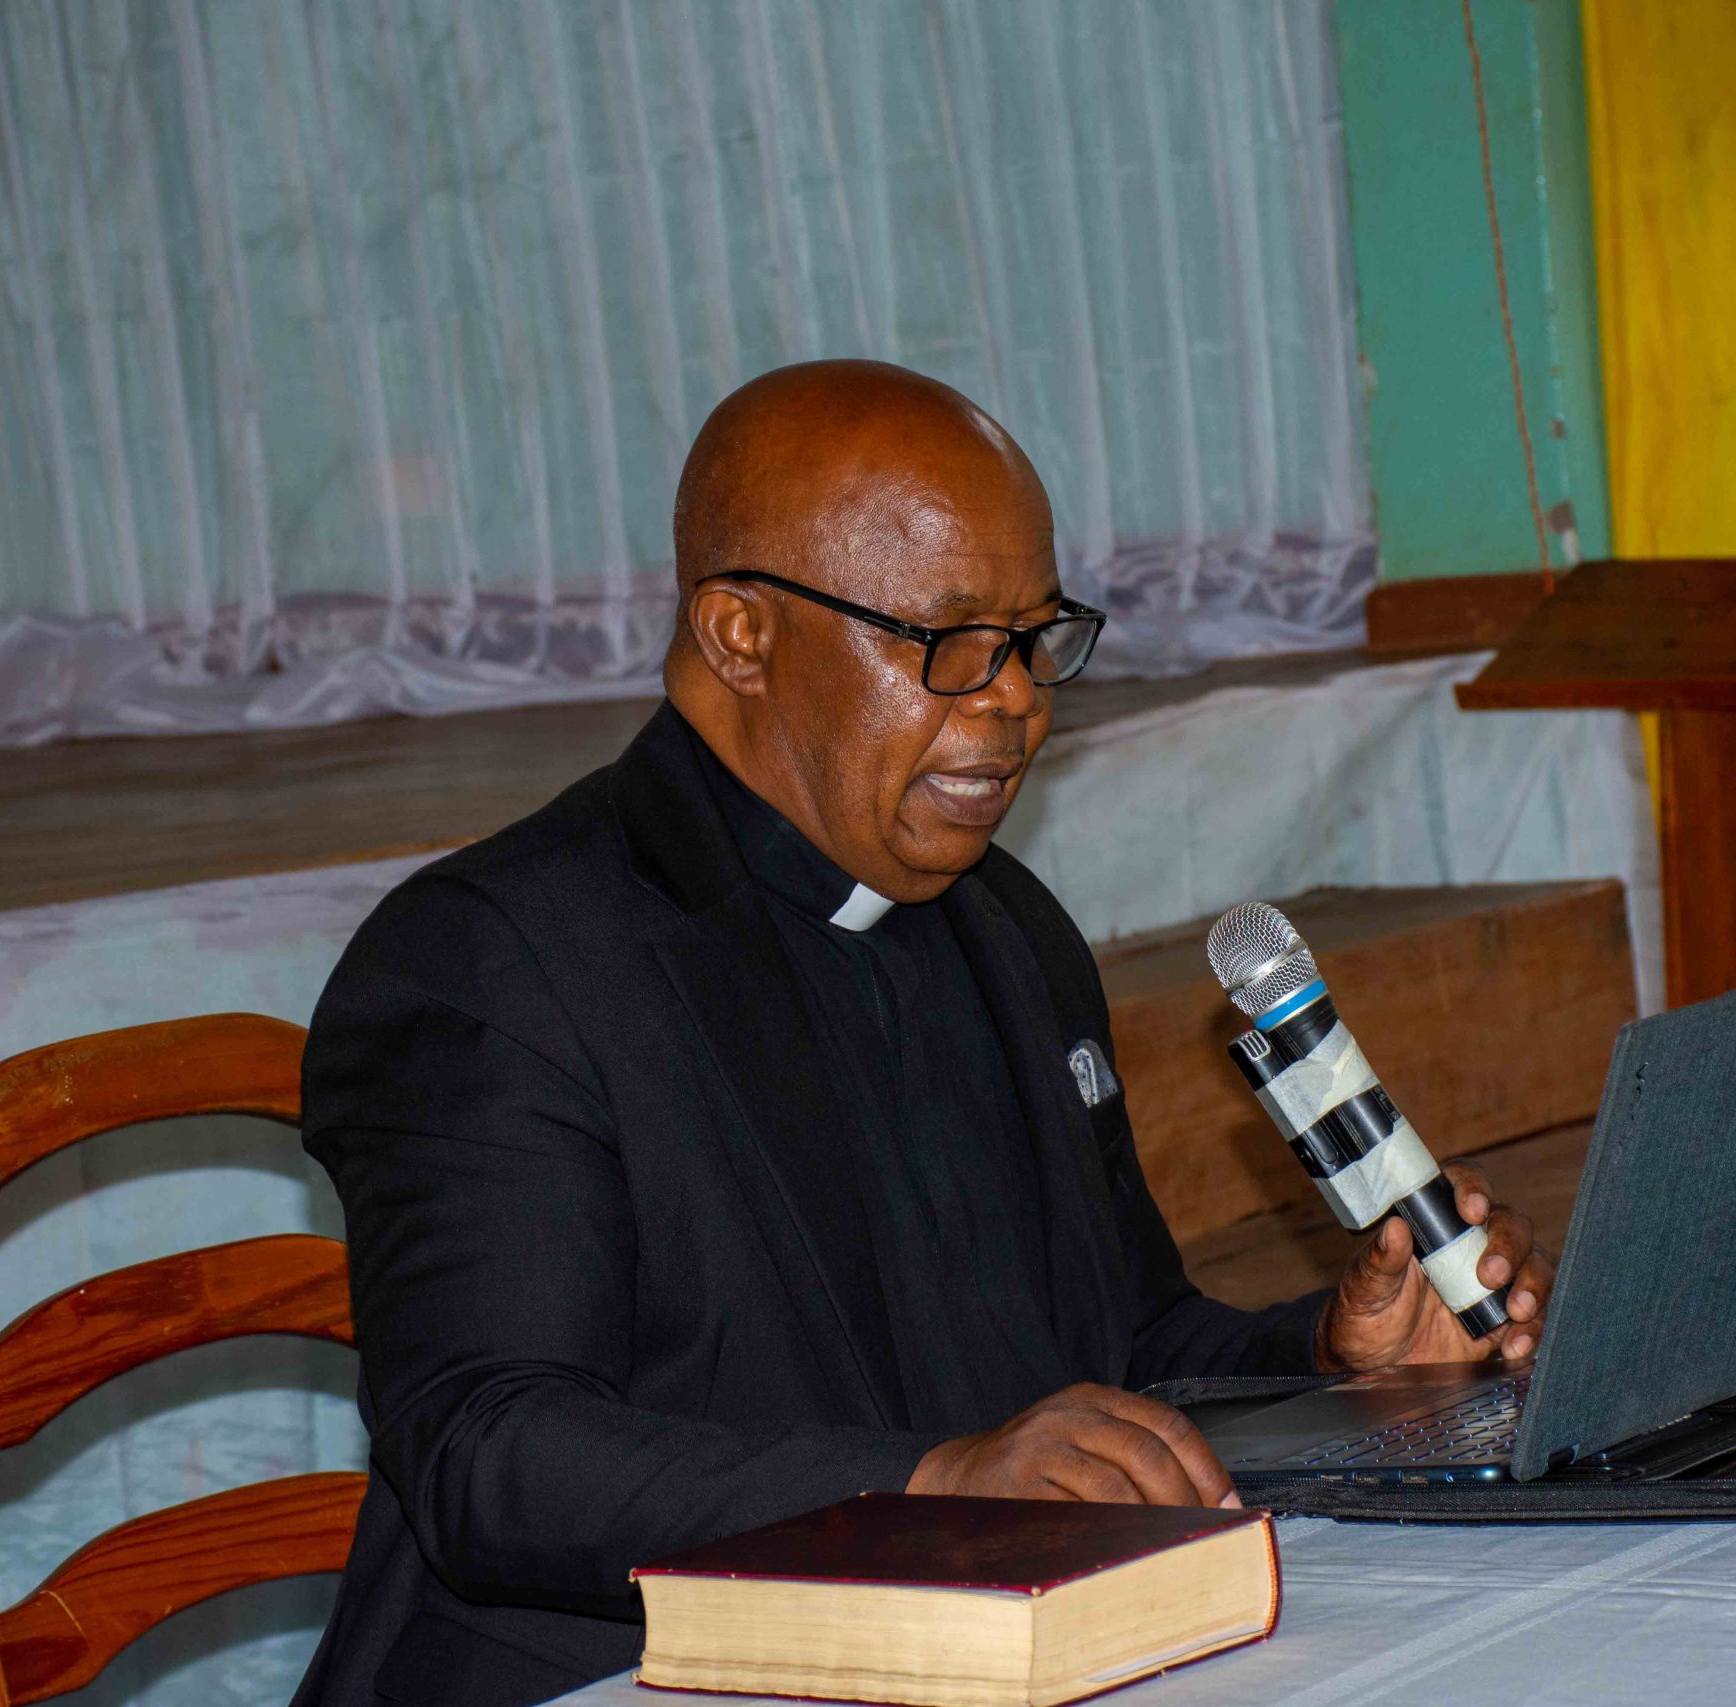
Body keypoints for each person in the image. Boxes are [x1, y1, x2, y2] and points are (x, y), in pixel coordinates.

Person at [293, 361, 1555, 1707]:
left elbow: (1120, 1351)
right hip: (611, 1674)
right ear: (739, 635)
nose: (1015, 698)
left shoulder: (1003, 928)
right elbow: (491, 1455)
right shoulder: (495, 959)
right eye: (951, 638)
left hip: (965, 1653)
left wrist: (1331, 1361)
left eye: (1035, 637)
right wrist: (932, 1483)